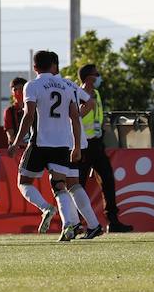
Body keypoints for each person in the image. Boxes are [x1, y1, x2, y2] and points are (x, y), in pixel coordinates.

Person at [9, 50, 86, 241]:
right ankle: (69, 224)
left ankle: (46, 208)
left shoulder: (32, 86)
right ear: (52, 65)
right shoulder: (66, 85)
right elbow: (75, 118)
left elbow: (28, 115)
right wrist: (76, 146)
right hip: (62, 145)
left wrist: (17, 142)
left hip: (40, 143)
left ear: (34, 67)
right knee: (60, 186)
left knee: (24, 182)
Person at [76, 64, 132, 233]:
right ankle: (76, 223)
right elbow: (76, 116)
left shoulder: (97, 93)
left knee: (108, 180)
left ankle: (113, 221)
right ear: (88, 78)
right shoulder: (78, 94)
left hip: (97, 144)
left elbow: (98, 116)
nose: (99, 77)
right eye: (96, 74)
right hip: (83, 145)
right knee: (79, 185)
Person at [2, 77, 28, 147]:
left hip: (34, 149)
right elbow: (11, 138)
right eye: (14, 89)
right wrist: (28, 145)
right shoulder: (9, 111)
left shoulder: (35, 108)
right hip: (17, 150)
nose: (17, 92)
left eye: (21, 89)